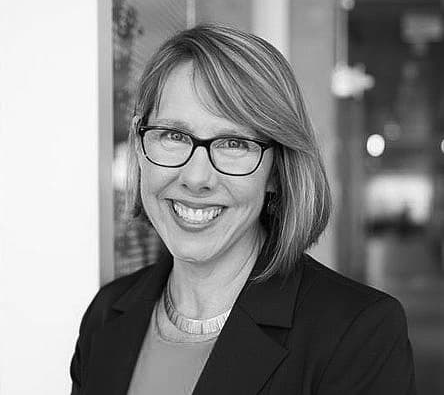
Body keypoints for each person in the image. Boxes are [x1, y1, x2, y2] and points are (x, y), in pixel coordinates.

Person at [70, 24, 416, 395]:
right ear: (140, 145)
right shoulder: (106, 314)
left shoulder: (357, 334)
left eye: (233, 143)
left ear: (276, 172)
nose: (196, 177)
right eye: (173, 135)